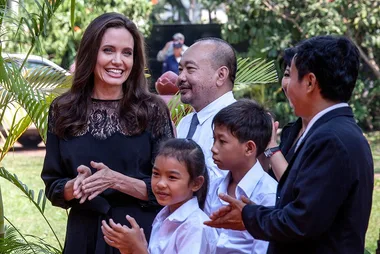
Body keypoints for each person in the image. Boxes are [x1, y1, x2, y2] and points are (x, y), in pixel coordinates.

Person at [204, 35, 374, 254]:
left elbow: (302, 221)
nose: (285, 86)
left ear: (310, 82)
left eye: (290, 75)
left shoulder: (332, 139)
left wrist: (248, 216)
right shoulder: (324, 131)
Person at [41, 13, 174, 253]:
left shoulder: (152, 110)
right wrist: (75, 186)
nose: (118, 61)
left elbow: (171, 187)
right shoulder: (63, 110)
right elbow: (53, 184)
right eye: (108, 50)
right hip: (83, 237)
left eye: (127, 53)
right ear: (91, 54)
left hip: (137, 236)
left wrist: (115, 180)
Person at [101, 138, 218, 254]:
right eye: (156, 174)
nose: (160, 183)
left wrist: (138, 250)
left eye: (172, 177)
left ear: (196, 183)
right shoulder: (163, 216)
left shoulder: (195, 227)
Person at [205, 99, 277, 254]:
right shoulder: (214, 187)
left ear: (249, 148)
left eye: (222, 141)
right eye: (214, 139)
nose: (213, 148)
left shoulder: (268, 195)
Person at [176, 37, 237, 182]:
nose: (180, 77)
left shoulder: (239, 122)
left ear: (221, 75)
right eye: (180, 70)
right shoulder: (185, 122)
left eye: (190, 69)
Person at [263, 47, 305, 181]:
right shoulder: (290, 131)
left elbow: (294, 189)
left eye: (295, 76)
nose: (288, 85)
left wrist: (271, 146)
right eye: (287, 75)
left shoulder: (327, 137)